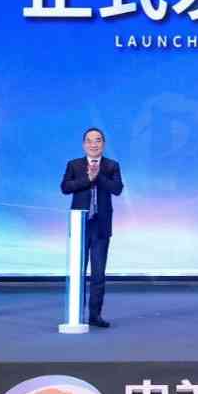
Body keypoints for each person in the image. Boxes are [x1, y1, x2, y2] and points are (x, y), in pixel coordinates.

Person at [60, 127, 124, 328]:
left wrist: (98, 176)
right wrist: (87, 179)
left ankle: (95, 316)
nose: (93, 144)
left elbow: (117, 189)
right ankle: (76, 314)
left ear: (103, 144)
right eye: (89, 140)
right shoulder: (74, 165)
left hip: (101, 227)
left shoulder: (111, 165)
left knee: (98, 274)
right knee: (77, 272)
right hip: (80, 225)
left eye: (97, 140)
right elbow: (65, 188)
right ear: (83, 144)